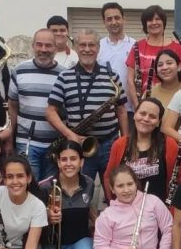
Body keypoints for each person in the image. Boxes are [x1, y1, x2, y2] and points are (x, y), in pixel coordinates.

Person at [47, 29, 128, 181]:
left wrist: (125, 141)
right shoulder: (64, 76)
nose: (87, 49)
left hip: (109, 143)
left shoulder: (112, 75)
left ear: (98, 48)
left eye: (91, 45)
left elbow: (121, 110)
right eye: (82, 45)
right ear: (76, 47)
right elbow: (50, 112)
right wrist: (70, 135)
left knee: (114, 189)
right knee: (80, 191)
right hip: (79, 145)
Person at [38, 140, 99, 249]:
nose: (68, 163)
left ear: (81, 162)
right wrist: (47, 216)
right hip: (53, 245)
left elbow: (88, 207)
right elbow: (33, 217)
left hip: (79, 240)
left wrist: (97, 221)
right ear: (58, 162)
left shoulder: (89, 183)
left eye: (73, 159)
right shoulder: (44, 186)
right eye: (64, 159)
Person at [104, 97, 181, 204]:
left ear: (158, 122)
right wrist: (115, 205)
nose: (146, 119)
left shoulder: (170, 145)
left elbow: (179, 180)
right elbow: (109, 177)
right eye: (142, 113)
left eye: (152, 116)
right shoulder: (119, 144)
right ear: (135, 115)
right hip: (126, 211)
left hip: (159, 212)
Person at [8, 28, 62, 180]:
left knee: (49, 190)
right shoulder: (18, 70)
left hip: (55, 145)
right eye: (39, 45)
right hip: (27, 143)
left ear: (56, 48)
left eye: (48, 45)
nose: (43, 50)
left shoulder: (64, 74)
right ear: (33, 46)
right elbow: (12, 106)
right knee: (29, 188)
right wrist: (10, 141)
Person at [125, 5, 181, 110]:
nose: (154, 23)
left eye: (157, 19)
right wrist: (137, 106)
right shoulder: (137, 46)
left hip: (172, 105)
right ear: (145, 24)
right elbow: (130, 79)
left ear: (164, 22)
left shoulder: (176, 47)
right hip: (144, 106)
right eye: (150, 20)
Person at [97, 2, 136, 116]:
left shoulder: (135, 45)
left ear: (124, 19)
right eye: (109, 19)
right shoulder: (97, 46)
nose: (113, 22)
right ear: (104, 22)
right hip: (104, 110)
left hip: (130, 109)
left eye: (117, 18)